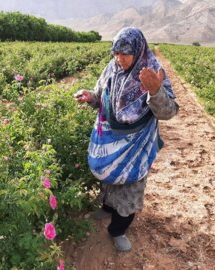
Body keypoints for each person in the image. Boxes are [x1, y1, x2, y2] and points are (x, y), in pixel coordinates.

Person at [74, 27, 179, 251]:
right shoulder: (112, 68)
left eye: (125, 53)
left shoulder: (154, 73)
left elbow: (169, 112)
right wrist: (90, 97)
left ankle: (118, 230)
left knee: (131, 185)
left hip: (137, 143)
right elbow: (101, 95)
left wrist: (155, 92)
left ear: (138, 50)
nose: (119, 59)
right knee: (109, 175)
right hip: (111, 138)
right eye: (116, 53)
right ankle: (107, 207)